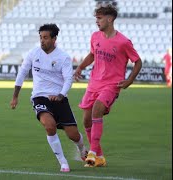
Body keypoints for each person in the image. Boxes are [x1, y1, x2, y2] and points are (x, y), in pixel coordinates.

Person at [10, 24, 88, 173]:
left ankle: (82, 149)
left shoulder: (63, 57)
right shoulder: (33, 54)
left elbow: (68, 79)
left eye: (45, 37)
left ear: (54, 38)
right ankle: (63, 162)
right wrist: (15, 97)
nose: (42, 40)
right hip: (40, 97)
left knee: (73, 135)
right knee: (50, 126)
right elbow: (22, 73)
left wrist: (61, 95)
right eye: (40, 37)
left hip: (59, 98)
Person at [73, 4, 142, 167]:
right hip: (94, 83)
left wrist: (129, 80)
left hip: (111, 85)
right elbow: (92, 54)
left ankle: (93, 152)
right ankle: (100, 157)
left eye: (99, 18)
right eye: (96, 18)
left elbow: (138, 61)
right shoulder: (95, 36)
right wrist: (80, 67)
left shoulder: (123, 42)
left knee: (98, 108)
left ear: (109, 19)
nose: (97, 22)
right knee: (86, 121)